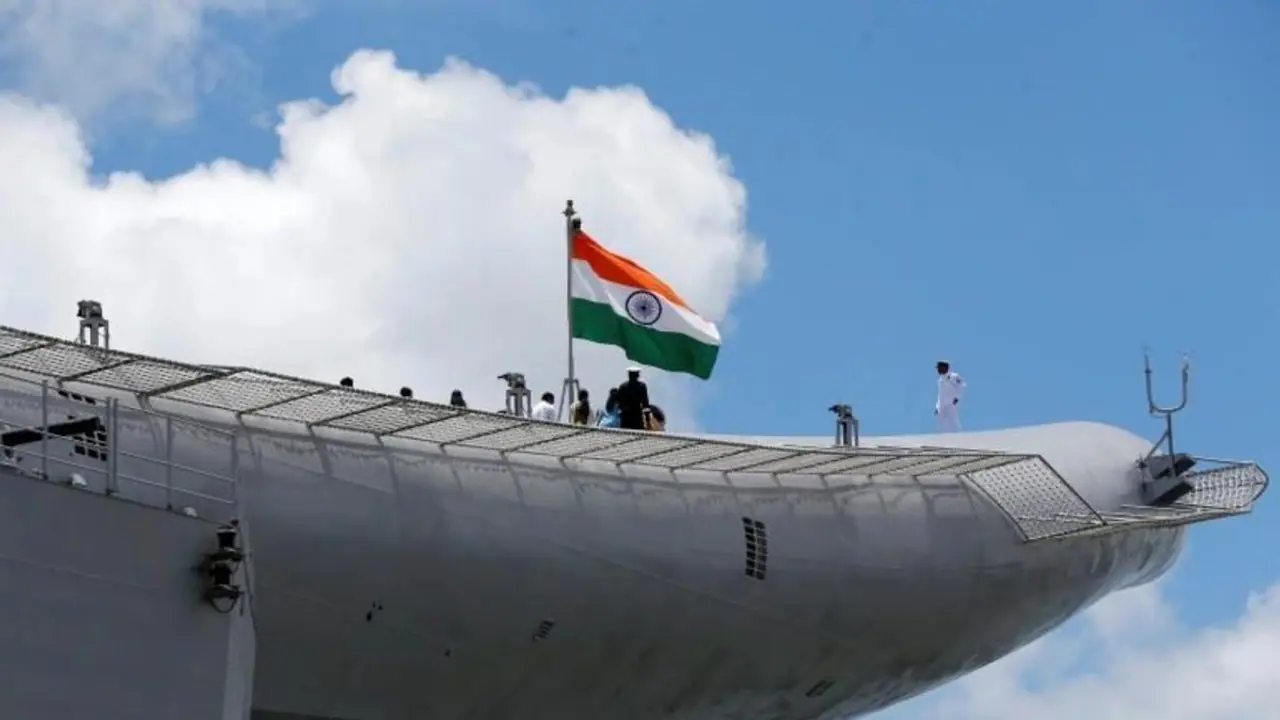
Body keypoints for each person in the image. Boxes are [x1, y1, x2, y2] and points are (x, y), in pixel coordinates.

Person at [935, 360, 966, 432]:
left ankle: (960, 438)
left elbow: (962, 386)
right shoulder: (940, 380)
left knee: (953, 423)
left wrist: (957, 397)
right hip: (941, 407)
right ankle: (945, 440)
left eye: (939, 368)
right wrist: (937, 406)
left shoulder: (953, 376)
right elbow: (940, 395)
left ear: (944, 368)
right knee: (943, 426)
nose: (937, 370)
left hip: (950, 404)